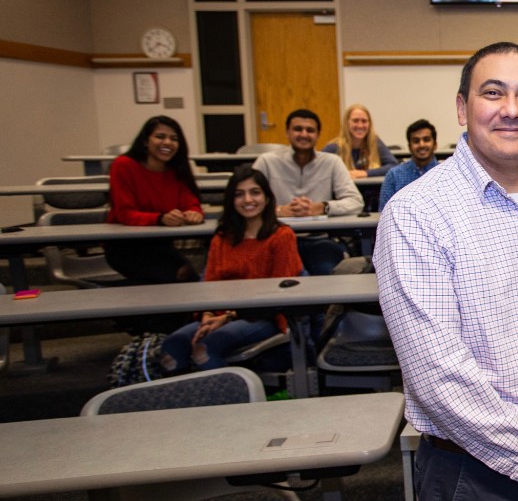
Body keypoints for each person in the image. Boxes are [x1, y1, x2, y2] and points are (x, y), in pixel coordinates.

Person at [375, 42, 518, 501]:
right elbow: (438, 375)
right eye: (493, 93)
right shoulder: (416, 213)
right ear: (462, 108)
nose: (511, 110)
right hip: (472, 474)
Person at [159, 166, 303, 373]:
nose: (247, 200)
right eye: (239, 194)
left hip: (263, 316)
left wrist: (229, 316)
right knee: (172, 348)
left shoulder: (281, 236)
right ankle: (185, 402)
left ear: (267, 197)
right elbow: (210, 283)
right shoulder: (222, 237)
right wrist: (208, 315)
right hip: (219, 315)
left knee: (203, 350)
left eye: (255, 192)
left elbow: (277, 294)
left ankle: (229, 403)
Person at [252, 109, 363, 276]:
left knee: (329, 275)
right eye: (298, 129)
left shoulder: (332, 162)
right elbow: (248, 202)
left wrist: (322, 207)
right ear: (287, 133)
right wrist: (279, 211)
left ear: (318, 135)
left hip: (318, 239)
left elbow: (356, 202)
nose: (304, 134)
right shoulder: (267, 162)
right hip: (274, 238)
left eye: (310, 130)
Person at [105, 115, 204, 283]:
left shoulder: (176, 171)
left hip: (160, 244)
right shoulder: (123, 165)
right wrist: (160, 219)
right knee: (171, 280)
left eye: (174, 139)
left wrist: (194, 213)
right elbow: (125, 213)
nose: (167, 143)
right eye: (160, 136)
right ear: (145, 141)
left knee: (190, 277)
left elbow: (191, 204)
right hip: (125, 246)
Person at [322, 104, 398, 179]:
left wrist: (365, 173)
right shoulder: (333, 148)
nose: (360, 125)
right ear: (347, 123)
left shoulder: (375, 143)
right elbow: (318, 169)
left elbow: (393, 165)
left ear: (369, 124)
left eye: (364, 121)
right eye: (355, 121)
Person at [378, 118, 439, 211]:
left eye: (426, 140)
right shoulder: (394, 175)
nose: (421, 144)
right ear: (409, 147)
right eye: (416, 141)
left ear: (435, 144)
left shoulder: (446, 174)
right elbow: (384, 213)